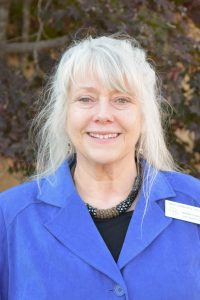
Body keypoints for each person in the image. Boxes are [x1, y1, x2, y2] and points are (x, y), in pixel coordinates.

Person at [0, 34, 200, 300]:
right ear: (64, 114)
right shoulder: (9, 216)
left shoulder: (195, 203)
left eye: (121, 100)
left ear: (144, 116)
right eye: (86, 99)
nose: (103, 114)